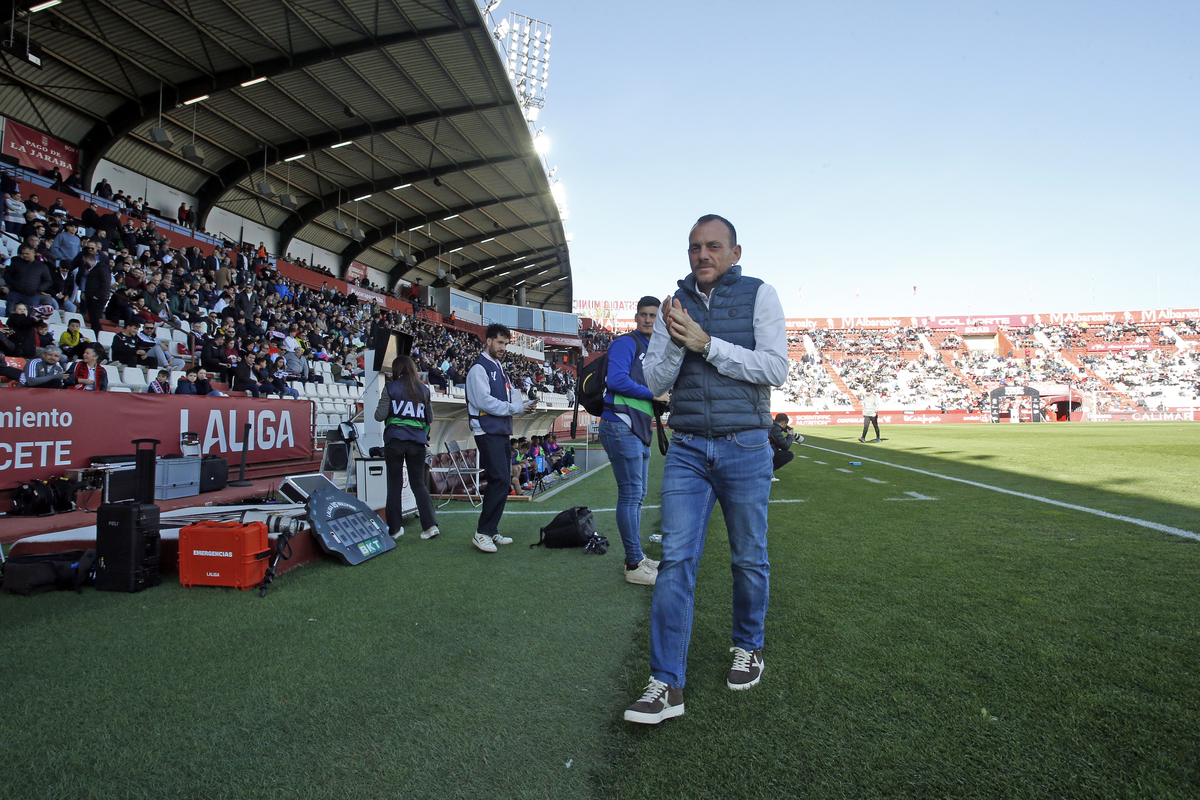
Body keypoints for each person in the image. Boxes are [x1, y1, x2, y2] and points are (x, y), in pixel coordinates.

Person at [624, 214, 787, 725]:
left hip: (746, 444)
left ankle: (749, 646)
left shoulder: (761, 295)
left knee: (749, 557)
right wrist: (676, 339)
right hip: (689, 448)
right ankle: (665, 683)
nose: (703, 255)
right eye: (695, 247)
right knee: (675, 562)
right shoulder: (674, 305)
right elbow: (652, 382)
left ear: (735, 252)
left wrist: (706, 343)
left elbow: (775, 368)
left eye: (714, 246)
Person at [599, 295, 667, 586]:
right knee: (630, 496)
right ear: (636, 317)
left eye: (653, 315)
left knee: (637, 496)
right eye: (644, 314)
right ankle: (633, 563)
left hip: (637, 429)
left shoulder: (654, 347)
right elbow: (615, 380)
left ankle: (637, 556)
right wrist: (652, 395)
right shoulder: (626, 343)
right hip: (620, 425)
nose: (648, 320)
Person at [465, 322, 537, 553]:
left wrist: (523, 405)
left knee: (502, 480)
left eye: (506, 343)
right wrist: (515, 408)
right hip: (487, 430)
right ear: (488, 341)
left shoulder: (498, 366)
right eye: (499, 342)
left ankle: (491, 529)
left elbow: (507, 400)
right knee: (498, 480)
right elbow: (484, 402)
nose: (503, 347)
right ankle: (482, 533)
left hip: (500, 430)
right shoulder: (479, 368)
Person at [373, 355, 439, 541]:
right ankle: (430, 526)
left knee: (394, 487)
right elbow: (430, 418)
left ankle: (395, 529)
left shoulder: (390, 387)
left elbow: (379, 416)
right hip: (417, 442)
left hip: (395, 441)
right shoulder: (424, 390)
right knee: (419, 485)